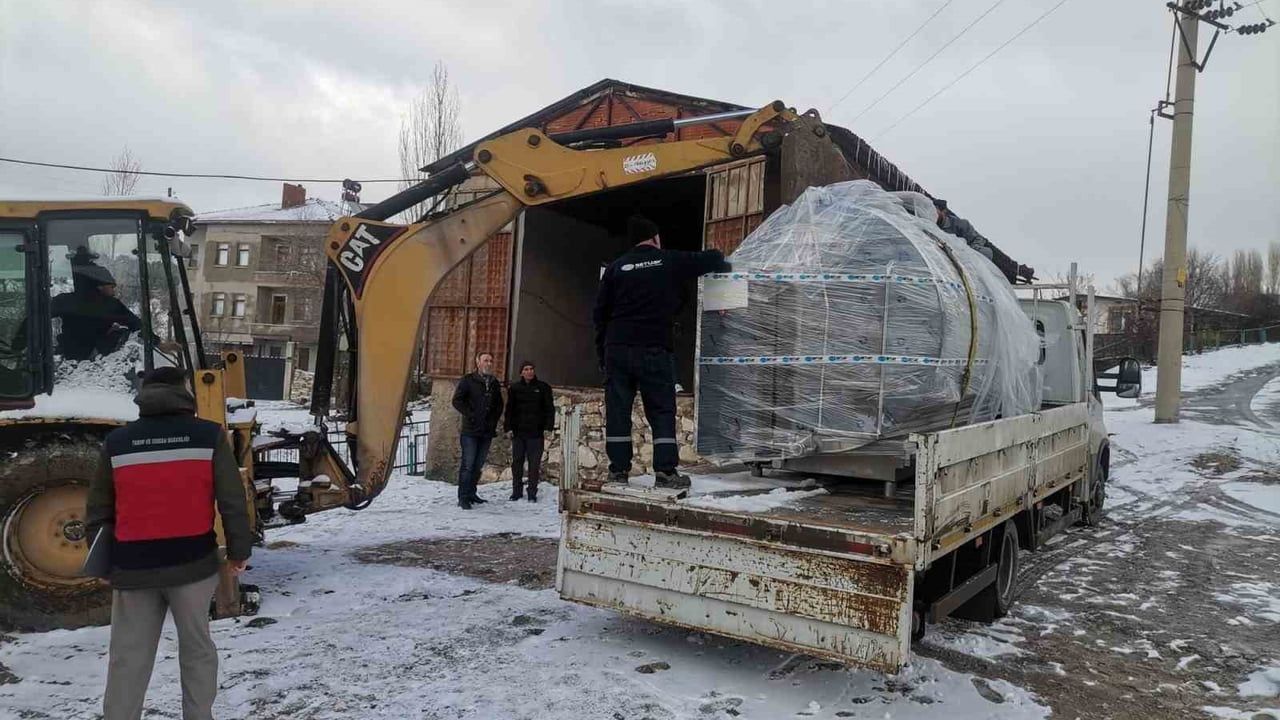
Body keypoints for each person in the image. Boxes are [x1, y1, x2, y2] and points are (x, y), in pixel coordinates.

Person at [84, 366, 253, 720]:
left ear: (144, 394)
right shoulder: (208, 436)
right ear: (185, 392)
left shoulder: (117, 442)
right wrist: (239, 551)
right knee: (197, 650)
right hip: (193, 564)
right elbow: (232, 499)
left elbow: (99, 509)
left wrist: (100, 561)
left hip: (133, 568)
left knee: (128, 658)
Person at [593, 214, 730, 489]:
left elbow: (599, 315)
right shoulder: (667, 260)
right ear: (655, 238)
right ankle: (666, 473)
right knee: (661, 410)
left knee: (618, 411)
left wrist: (602, 355)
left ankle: (618, 471)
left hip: (617, 349)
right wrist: (723, 264)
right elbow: (709, 259)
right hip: (653, 348)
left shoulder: (616, 268)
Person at [51, 258, 142, 360]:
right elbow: (138, 326)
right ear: (99, 286)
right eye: (111, 287)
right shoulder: (110, 305)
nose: (114, 292)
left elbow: (36, 317)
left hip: (67, 360)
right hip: (95, 365)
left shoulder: (64, 300)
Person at [451, 351, 504, 509]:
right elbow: (457, 401)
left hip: (486, 431)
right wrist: (471, 415)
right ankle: (463, 497)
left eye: (490, 361)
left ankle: (472, 493)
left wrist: (493, 420)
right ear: (478, 362)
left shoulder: (493, 382)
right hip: (470, 431)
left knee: (478, 465)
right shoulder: (468, 380)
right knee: (468, 464)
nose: (488, 363)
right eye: (485, 360)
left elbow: (498, 404)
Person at [504, 360, 555, 502]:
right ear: (521, 372)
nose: (529, 371)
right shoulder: (514, 388)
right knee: (517, 463)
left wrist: (548, 427)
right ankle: (516, 491)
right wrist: (508, 428)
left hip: (536, 433)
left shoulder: (543, 388)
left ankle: (532, 492)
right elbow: (509, 410)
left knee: (534, 464)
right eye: (526, 369)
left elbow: (549, 410)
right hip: (519, 432)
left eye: (531, 369)